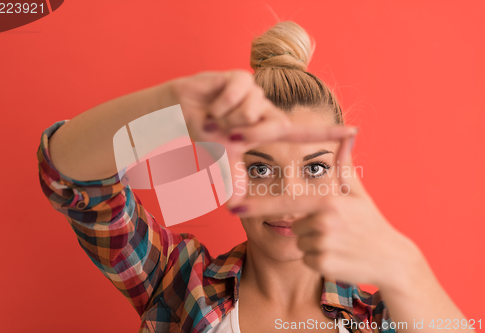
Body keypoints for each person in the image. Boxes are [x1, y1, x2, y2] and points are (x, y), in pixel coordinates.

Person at [37, 21, 472, 333]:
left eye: (314, 168)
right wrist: (169, 103)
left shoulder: (383, 319)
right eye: (261, 168)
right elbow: (70, 178)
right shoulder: (178, 283)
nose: (288, 197)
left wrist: (404, 265)